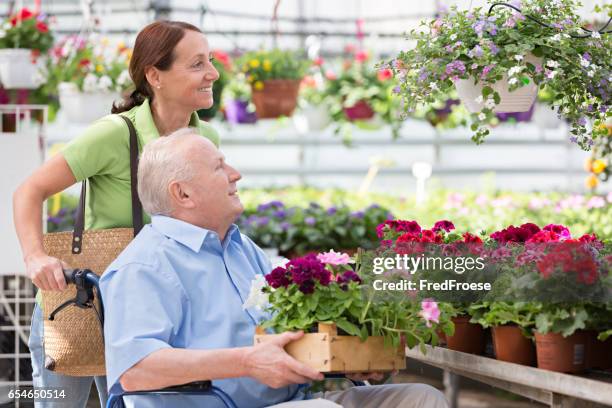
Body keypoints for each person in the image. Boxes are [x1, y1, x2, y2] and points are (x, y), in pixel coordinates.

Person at [100, 129, 449, 408]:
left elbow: (285, 330)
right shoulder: (144, 265)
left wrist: (342, 356)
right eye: (219, 167)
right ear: (183, 194)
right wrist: (246, 362)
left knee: (422, 399)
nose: (236, 174)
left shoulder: (240, 248)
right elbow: (135, 370)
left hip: (293, 400)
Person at [13, 20, 221, 407]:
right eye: (197, 64)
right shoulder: (113, 134)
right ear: (154, 75)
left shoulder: (205, 140)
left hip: (149, 310)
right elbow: (30, 190)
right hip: (79, 306)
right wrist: (35, 255)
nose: (213, 73)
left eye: (210, 60)